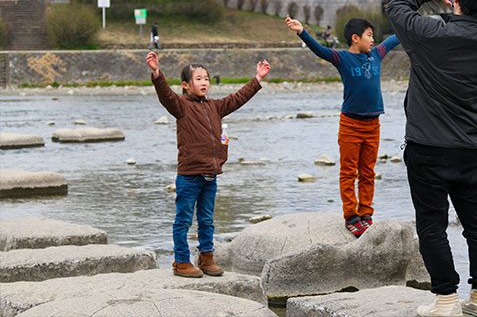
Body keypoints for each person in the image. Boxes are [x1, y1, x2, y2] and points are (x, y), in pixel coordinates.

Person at [385, 0, 477, 317]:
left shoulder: (429, 34)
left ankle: (445, 299)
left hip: (426, 148)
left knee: (432, 225)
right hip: (470, 150)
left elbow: (397, 6)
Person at [146, 51, 271, 278]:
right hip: (189, 176)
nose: (204, 82)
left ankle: (206, 258)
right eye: (199, 79)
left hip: (211, 176)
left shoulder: (215, 107)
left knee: (206, 220)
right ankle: (181, 262)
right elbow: (165, 94)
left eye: (206, 78)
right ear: (185, 85)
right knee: (183, 221)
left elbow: (238, 97)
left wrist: (258, 79)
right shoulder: (180, 106)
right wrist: (156, 72)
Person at [285, 15, 399, 238]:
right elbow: (320, 51)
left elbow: (396, 38)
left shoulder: (377, 54)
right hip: (350, 124)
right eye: (369, 36)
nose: (373, 40)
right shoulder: (342, 58)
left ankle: (366, 214)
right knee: (349, 172)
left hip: (373, 125)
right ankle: (351, 216)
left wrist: (411, 21)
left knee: (368, 172)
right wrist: (302, 32)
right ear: (355, 38)